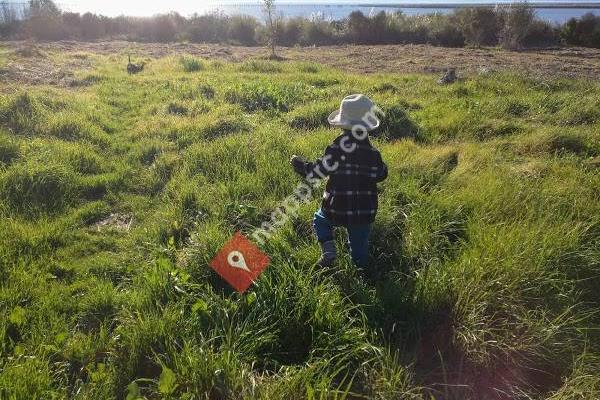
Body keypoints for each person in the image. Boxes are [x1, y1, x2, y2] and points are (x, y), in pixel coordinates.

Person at [290, 94, 388, 267]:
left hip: (336, 207)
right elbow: (381, 174)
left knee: (320, 220)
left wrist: (302, 166)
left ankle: (328, 252)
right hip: (364, 212)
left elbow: (318, 172)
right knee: (359, 245)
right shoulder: (373, 154)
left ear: (342, 125)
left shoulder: (336, 148)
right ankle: (361, 268)